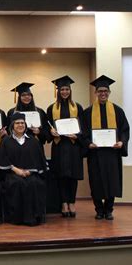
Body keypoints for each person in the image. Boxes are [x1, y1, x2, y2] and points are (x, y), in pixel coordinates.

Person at [83, 75, 130, 220]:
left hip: (112, 153)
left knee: (112, 181)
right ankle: (98, 210)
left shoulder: (117, 111)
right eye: (100, 91)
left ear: (109, 93)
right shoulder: (88, 112)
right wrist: (88, 143)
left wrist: (122, 142)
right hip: (95, 153)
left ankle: (109, 209)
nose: (103, 94)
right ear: (95, 93)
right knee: (96, 182)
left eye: (105, 91)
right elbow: (82, 132)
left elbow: (125, 129)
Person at [0, 113, 48, 226]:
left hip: (31, 173)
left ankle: (34, 217)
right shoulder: (6, 141)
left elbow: (39, 160)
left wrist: (30, 171)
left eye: (22, 123)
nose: (20, 125)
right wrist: (16, 170)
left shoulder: (33, 141)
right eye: (17, 123)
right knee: (17, 183)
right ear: (12, 125)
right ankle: (17, 218)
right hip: (12, 173)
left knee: (34, 183)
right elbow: (3, 159)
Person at [46, 76, 85, 218]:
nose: (64, 91)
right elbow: (47, 127)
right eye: (62, 89)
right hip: (59, 147)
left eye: (67, 89)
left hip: (74, 147)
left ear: (70, 90)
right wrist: (50, 132)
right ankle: (63, 203)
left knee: (72, 177)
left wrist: (78, 136)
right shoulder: (51, 108)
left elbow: (84, 128)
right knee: (61, 176)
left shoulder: (78, 107)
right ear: (58, 91)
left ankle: (72, 202)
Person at [7, 82, 49, 148]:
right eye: (23, 95)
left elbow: (46, 129)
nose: (27, 97)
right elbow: (9, 130)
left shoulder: (39, 112)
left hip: (35, 144)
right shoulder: (12, 112)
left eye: (29, 95)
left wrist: (39, 132)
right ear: (19, 97)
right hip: (17, 145)